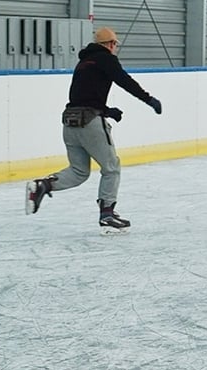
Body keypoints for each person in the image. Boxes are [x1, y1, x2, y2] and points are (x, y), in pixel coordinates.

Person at [24, 27, 163, 231]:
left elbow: (85, 95)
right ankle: (107, 212)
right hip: (89, 122)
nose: (115, 49)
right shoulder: (106, 58)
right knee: (111, 167)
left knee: (79, 171)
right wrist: (148, 99)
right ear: (110, 44)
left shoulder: (83, 63)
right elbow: (125, 81)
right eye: (115, 44)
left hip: (70, 122)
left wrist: (107, 111)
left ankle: (42, 186)